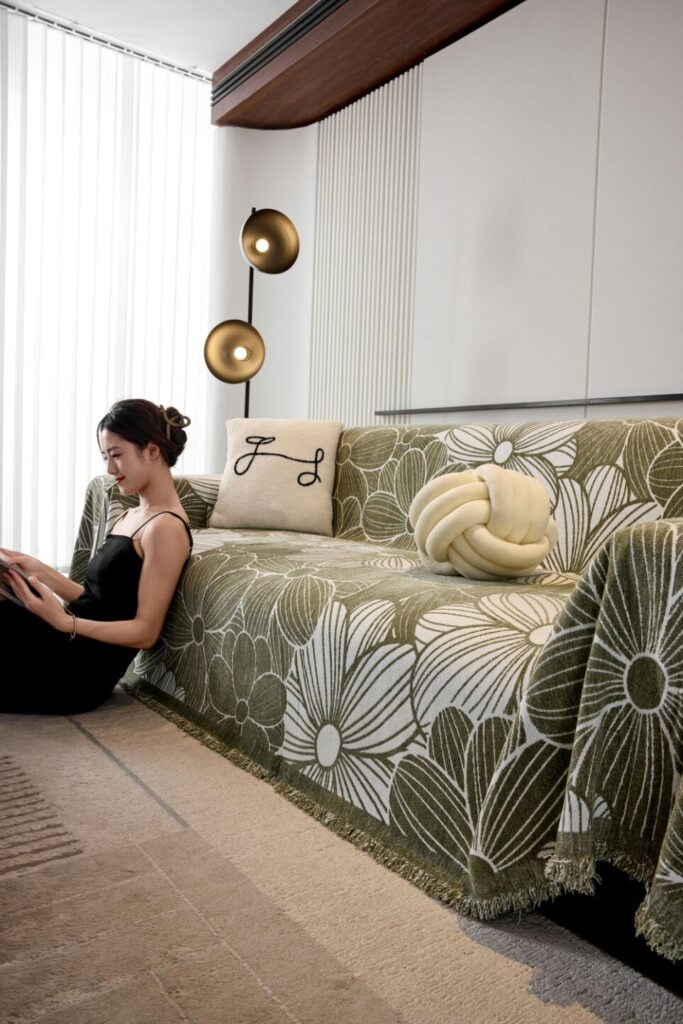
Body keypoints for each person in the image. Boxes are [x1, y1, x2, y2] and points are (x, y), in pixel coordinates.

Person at [0, 399, 194, 715]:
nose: (109, 469)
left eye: (116, 455)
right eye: (105, 457)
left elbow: (146, 631)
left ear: (152, 450)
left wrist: (66, 622)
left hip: (77, 672)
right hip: (65, 642)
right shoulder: (130, 516)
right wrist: (39, 570)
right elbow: (100, 602)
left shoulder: (166, 528)